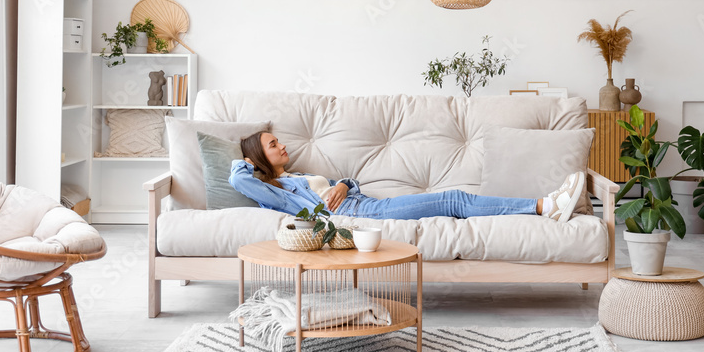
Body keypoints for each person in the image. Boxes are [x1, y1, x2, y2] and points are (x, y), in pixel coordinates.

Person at [229, 131, 586, 223]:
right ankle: (545, 205)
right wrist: (245, 160)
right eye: (273, 145)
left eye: (277, 141)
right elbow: (237, 180)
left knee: (454, 200)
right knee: (453, 199)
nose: (282, 146)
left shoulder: (299, 175)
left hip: (364, 204)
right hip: (357, 216)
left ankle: (544, 205)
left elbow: (350, 183)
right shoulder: (274, 191)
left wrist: (342, 183)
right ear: (259, 157)